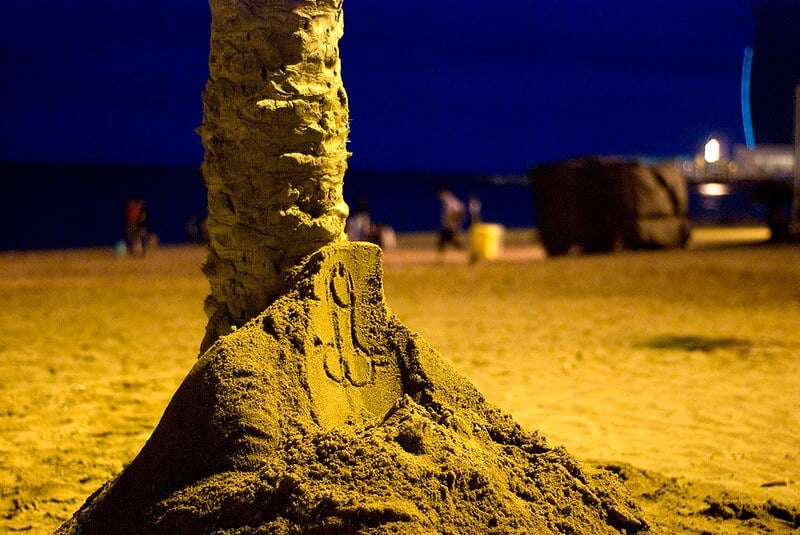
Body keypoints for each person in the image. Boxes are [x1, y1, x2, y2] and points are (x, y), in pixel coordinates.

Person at [436, 188, 465, 253]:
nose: (439, 196)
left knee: (444, 239)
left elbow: (459, 211)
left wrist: (454, 223)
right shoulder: (449, 200)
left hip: (451, 225)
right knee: (446, 240)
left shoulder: (449, 200)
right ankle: (440, 258)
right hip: (450, 225)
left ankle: (469, 253)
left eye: (440, 194)